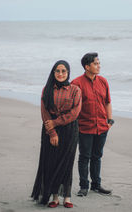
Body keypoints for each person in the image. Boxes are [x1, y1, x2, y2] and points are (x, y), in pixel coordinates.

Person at [31, 60, 82, 208]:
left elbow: (75, 112)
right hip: (49, 129)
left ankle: (67, 197)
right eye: (57, 71)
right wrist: (52, 131)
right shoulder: (47, 90)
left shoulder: (75, 90)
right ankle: (54, 197)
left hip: (70, 129)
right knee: (52, 162)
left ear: (68, 73)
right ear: (53, 73)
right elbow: (44, 112)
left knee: (66, 163)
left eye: (63, 71)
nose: (60, 74)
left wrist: (57, 122)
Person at [72, 52, 114, 197]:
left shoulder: (103, 81)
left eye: (99, 63)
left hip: (102, 127)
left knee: (97, 156)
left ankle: (96, 185)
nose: (99, 66)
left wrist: (110, 121)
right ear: (87, 66)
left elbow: (107, 102)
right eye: (96, 63)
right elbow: (72, 107)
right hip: (84, 127)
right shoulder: (76, 83)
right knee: (85, 157)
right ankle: (84, 186)